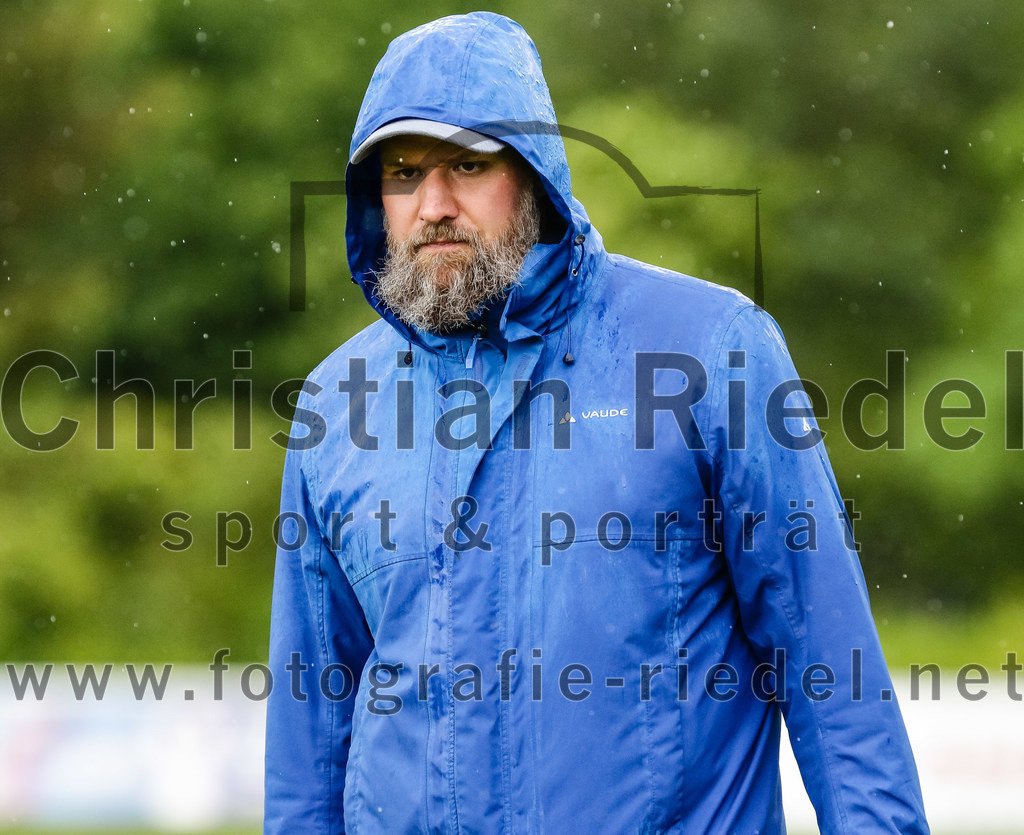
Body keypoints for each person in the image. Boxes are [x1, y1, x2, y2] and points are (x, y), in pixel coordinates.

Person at [264, 12, 929, 833]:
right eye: (403, 173)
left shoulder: (709, 349)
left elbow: (832, 672)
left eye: (468, 164)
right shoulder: (337, 405)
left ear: (535, 175)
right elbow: (310, 740)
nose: (433, 203)